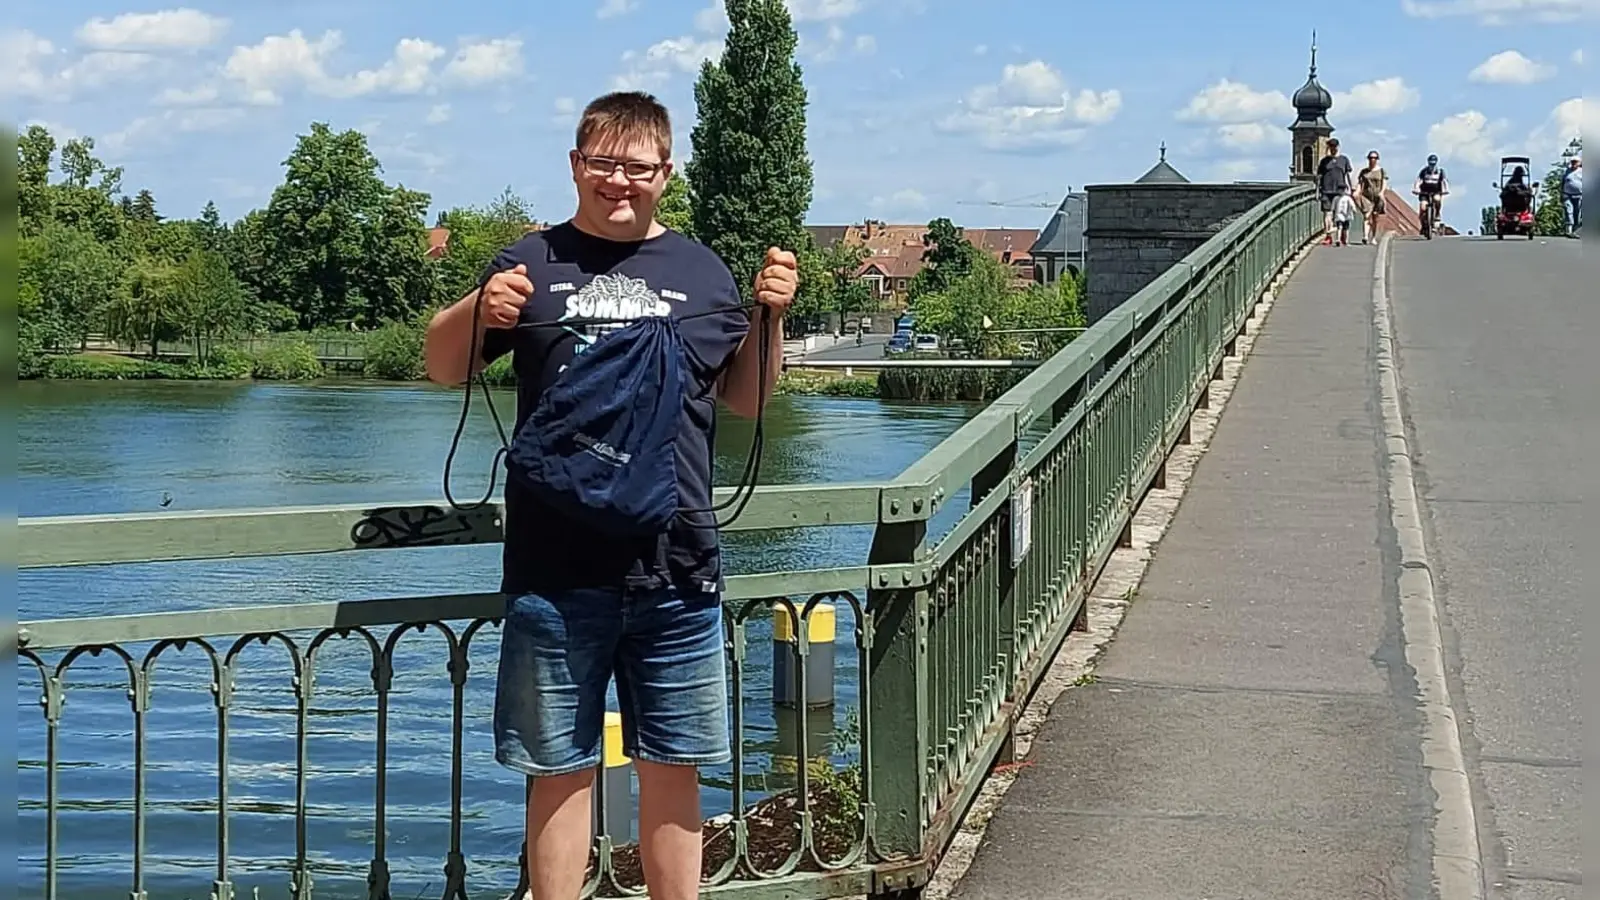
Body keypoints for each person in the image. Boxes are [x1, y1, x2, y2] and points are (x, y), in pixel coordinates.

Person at [421, 90, 798, 900]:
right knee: (557, 771)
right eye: (603, 163)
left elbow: (747, 400)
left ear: (666, 172)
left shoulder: (702, 272)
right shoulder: (527, 262)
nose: (618, 181)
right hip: (554, 574)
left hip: (680, 566)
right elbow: (444, 366)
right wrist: (474, 307)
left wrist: (773, 320)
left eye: (637, 166)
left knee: (675, 766)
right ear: (575, 165)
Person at [1356, 150, 1388, 244]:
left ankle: (1373, 237)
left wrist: (1382, 192)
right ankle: (1365, 236)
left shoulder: (1381, 171)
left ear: (1377, 159)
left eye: (1374, 158)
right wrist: (1357, 191)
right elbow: (1360, 183)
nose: (1372, 160)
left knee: (1375, 217)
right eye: (1370, 158)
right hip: (1367, 196)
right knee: (1366, 215)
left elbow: (1384, 182)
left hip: (1377, 196)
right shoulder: (1364, 172)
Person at [1413, 153, 1449, 230]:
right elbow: (1418, 180)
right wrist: (1416, 189)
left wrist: (1445, 190)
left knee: (1437, 199)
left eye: (1433, 164)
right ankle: (1423, 223)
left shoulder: (1440, 172)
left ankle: (1437, 214)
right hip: (1424, 192)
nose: (1432, 166)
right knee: (1423, 207)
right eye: (1430, 164)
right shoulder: (1424, 171)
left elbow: (1444, 181)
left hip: (1436, 191)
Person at [1561, 157, 1582, 237]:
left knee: (1577, 213)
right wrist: (1561, 194)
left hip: (1579, 195)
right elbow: (1563, 182)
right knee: (1568, 211)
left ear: (1579, 163)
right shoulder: (1567, 171)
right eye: (1573, 162)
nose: (1574, 163)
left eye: (1576, 162)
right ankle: (1568, 230)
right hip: (1567, 194)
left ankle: (1575, 231)